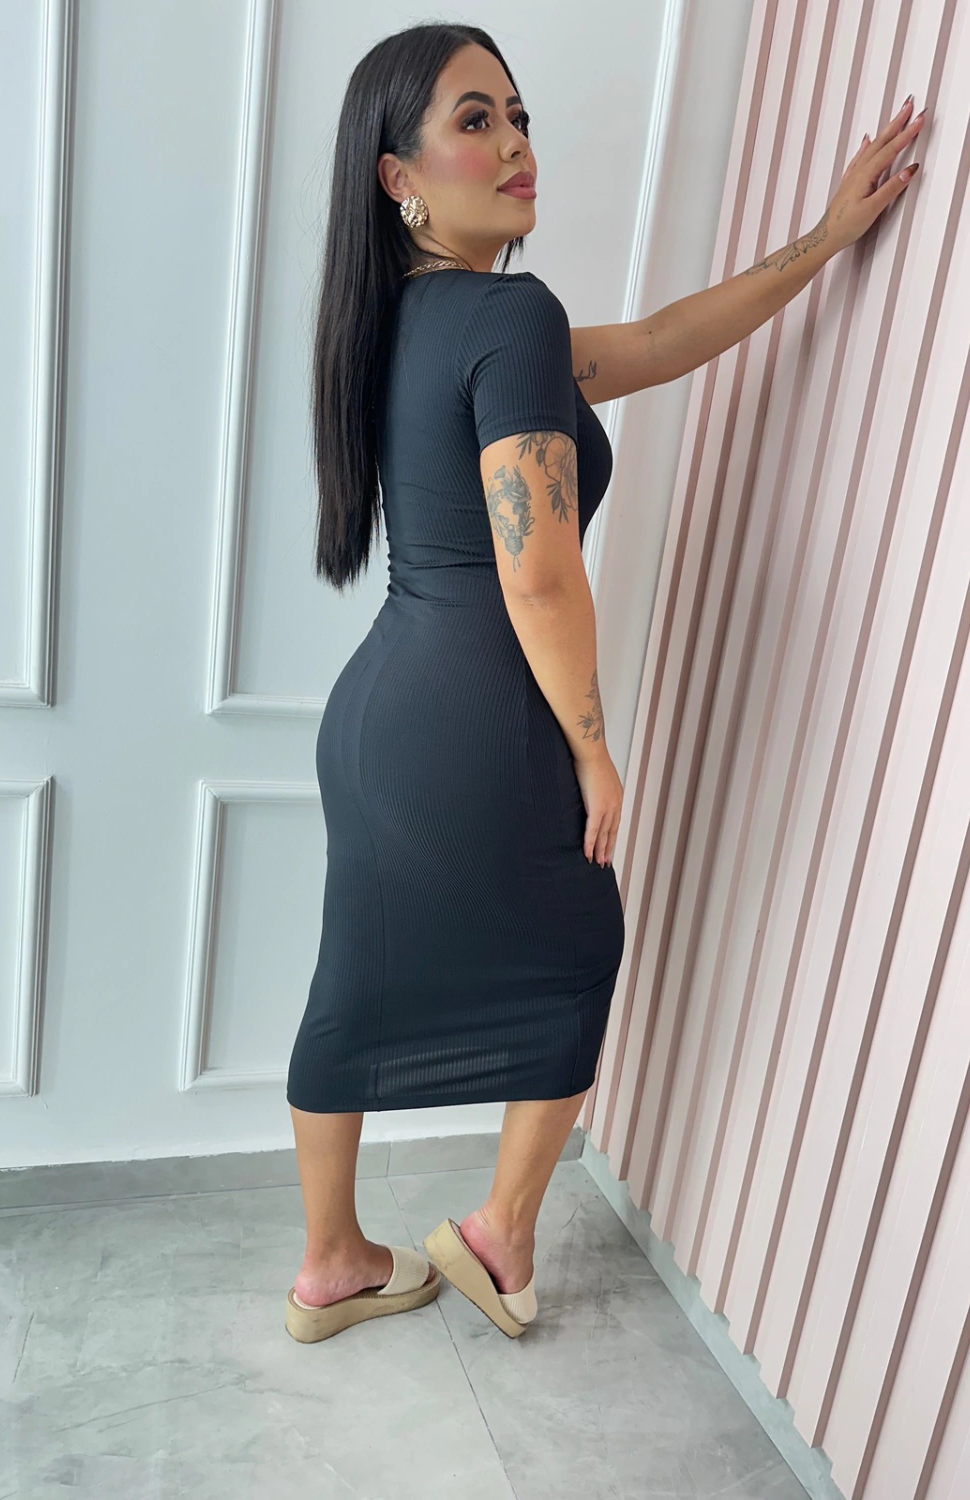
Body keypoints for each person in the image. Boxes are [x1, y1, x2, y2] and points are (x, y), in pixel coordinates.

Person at [283, 22, 925, 1344]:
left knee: (353, 975)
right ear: (399, 177)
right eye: (475, 121)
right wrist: (591, 745)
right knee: (578, 948)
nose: (517, 145)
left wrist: (823, 239)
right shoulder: (506, 317)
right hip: (476, 717)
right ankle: (499, 1239)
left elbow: (664, 339)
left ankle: (331, 1261)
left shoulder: (402, 322)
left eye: (518, 116)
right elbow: (538, 571)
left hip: (378, 717)